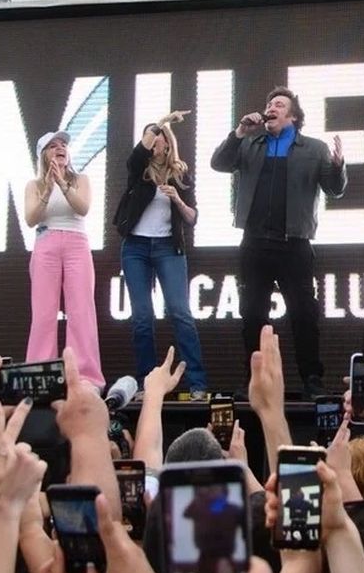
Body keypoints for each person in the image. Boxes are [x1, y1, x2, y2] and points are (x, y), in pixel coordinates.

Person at [211, 87, 347, 396]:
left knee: (303, 314)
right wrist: (239, 132)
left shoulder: (314, 148)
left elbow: (334, 189)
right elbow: (218, 163)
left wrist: (338, 165)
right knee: (253, 316)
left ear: (293, 116)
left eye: (279, 104)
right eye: (269, 103)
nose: (271, 107)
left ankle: (312, 379)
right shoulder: (251, 144)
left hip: (294, 244)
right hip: (255, 242)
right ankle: (256, 382)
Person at [113, 112, 209, 399]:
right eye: (151, 135)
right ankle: (146, 384)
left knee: (180, 312)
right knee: (142, 316)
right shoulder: (138, 170)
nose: (156, 140)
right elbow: (135, 156)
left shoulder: (180, 172)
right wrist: (162, 120)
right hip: (136, 249)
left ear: (169, 143)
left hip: (168, 248)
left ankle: (197, 383)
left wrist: (176, 198)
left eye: (161, 136)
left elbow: (192, 218)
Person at [23, 131, 104, 388]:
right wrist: (48, 189)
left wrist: (62, 183)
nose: (61, 148)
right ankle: (39, 375)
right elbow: (31, 218)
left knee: (81, 310)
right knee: (44, 313)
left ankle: (85, 376)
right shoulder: (34, 185)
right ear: (43, 154)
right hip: (46, 243)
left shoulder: (80, 179)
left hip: (76, 242)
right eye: (53, 145)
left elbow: (83, 208)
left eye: (64, 145)